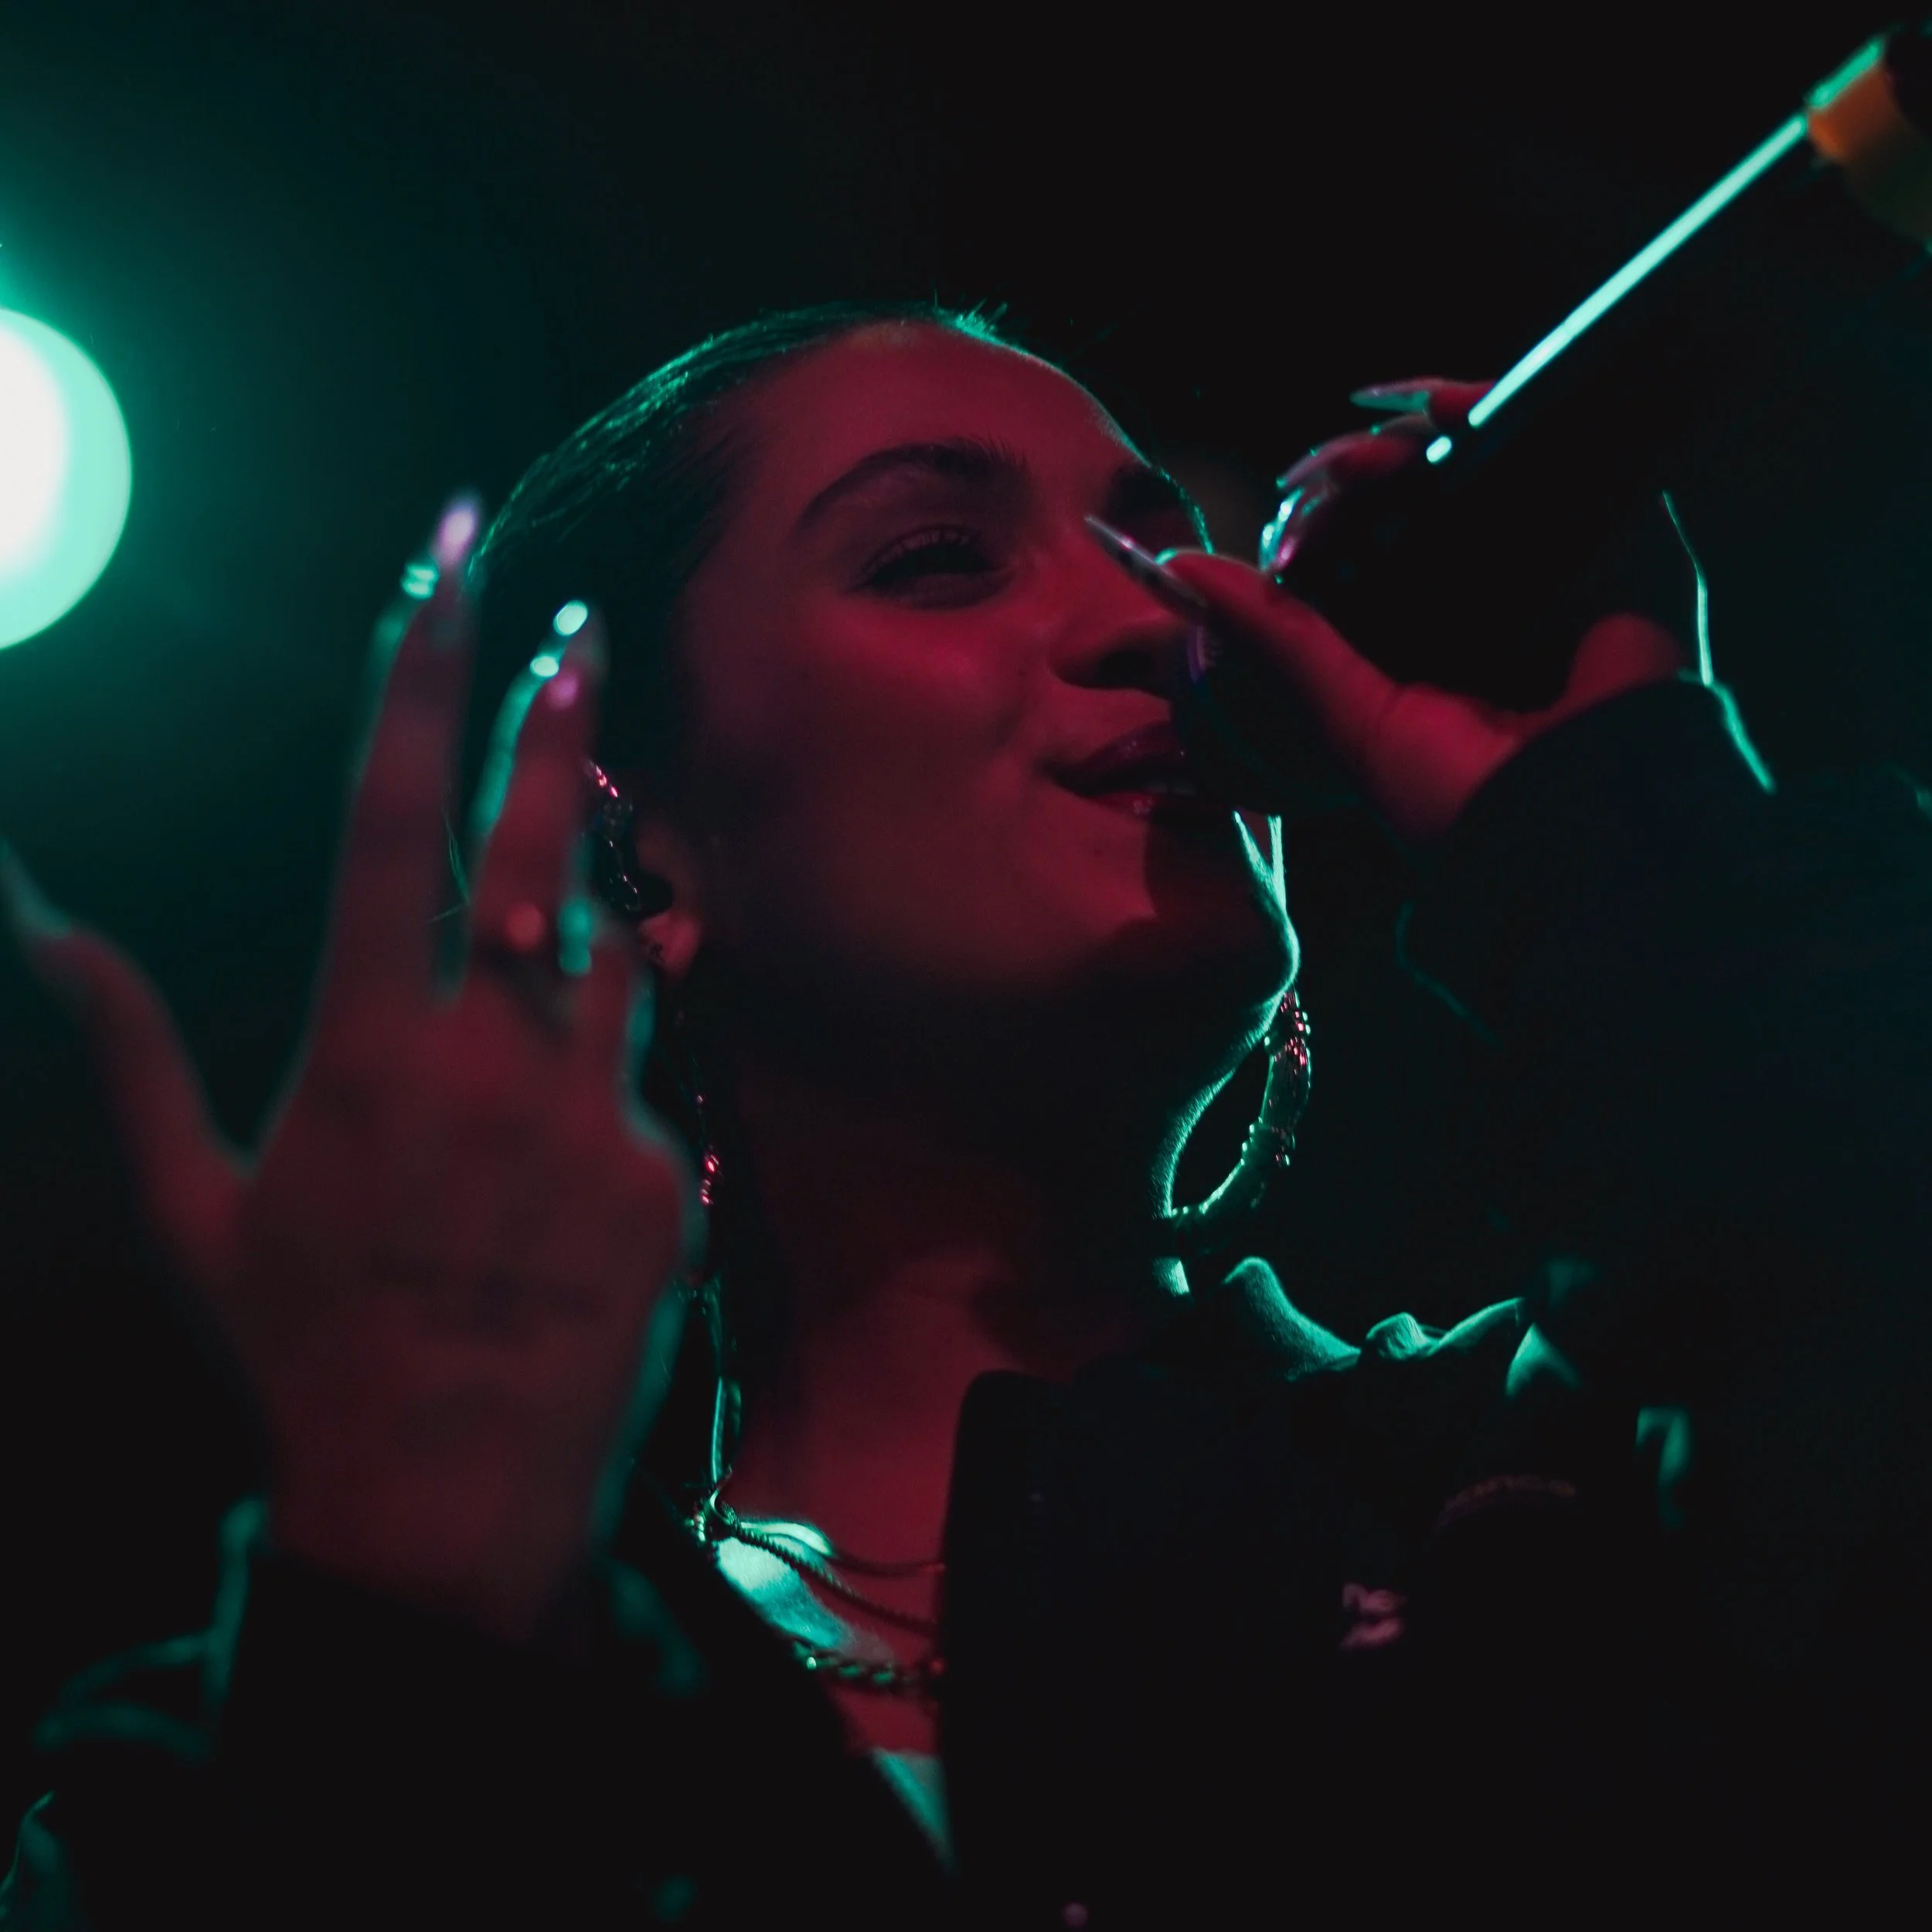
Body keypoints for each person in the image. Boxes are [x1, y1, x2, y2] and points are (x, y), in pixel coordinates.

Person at [2, 299, 1929, 1927]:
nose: (1162, 624)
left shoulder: (1553, 1495)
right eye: (933, 556)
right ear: (628, 830)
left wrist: (1606, 825)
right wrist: (398, 1660)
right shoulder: (269, 1744)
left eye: (1163, 543)